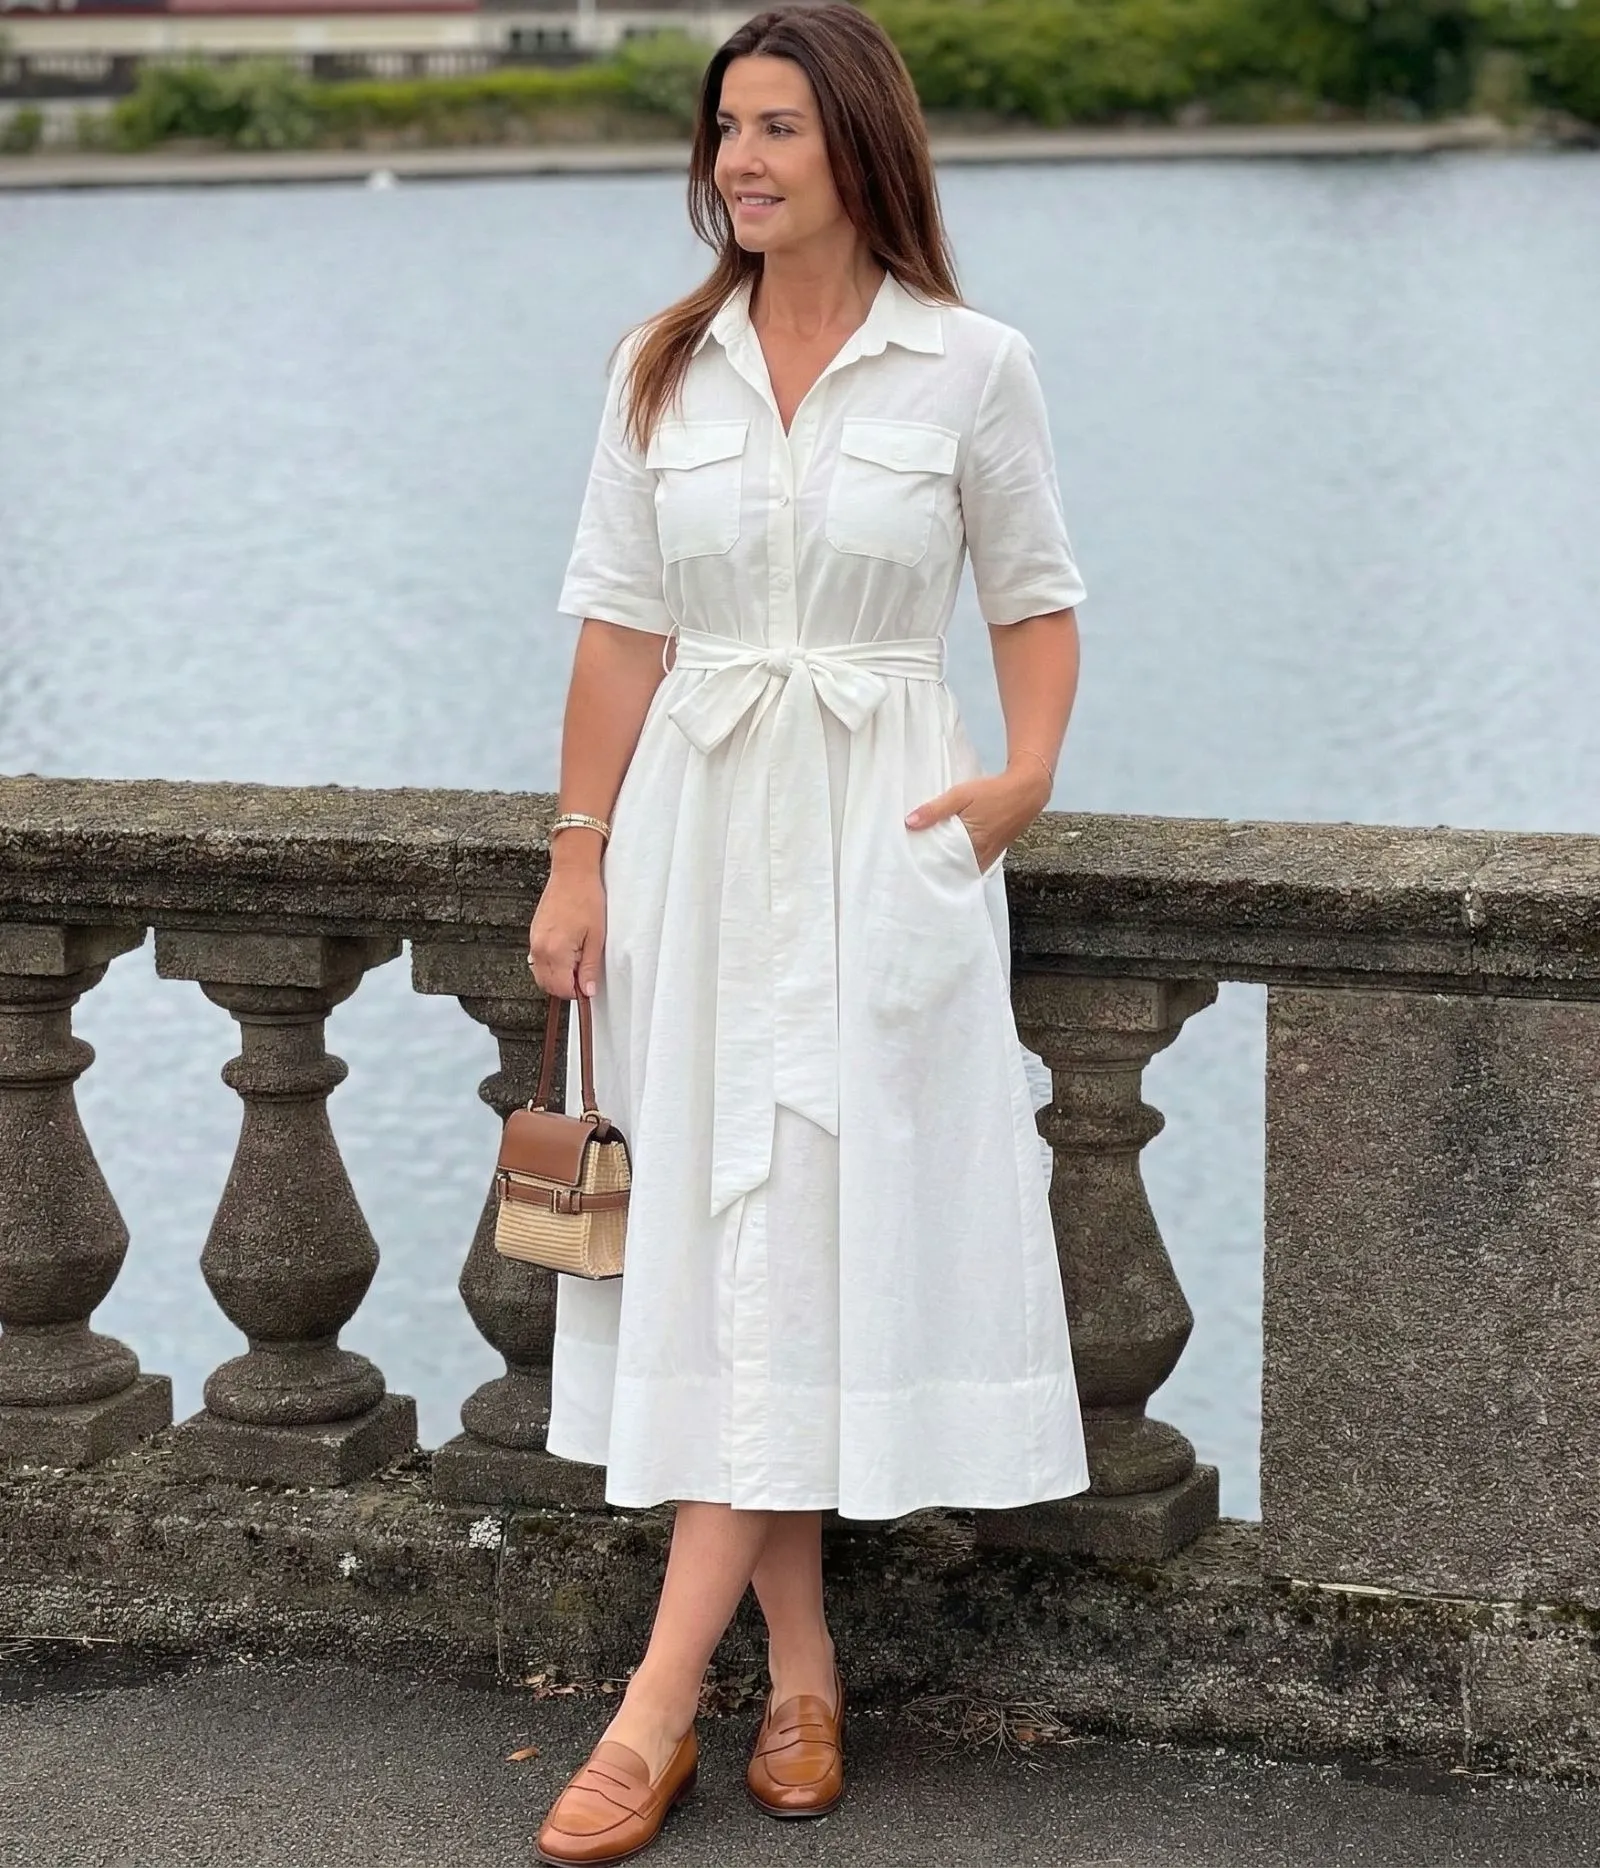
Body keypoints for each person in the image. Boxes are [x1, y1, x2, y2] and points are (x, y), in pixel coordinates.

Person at [525, 5, 1090, 1860]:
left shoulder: (971, 366)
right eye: (724, 130)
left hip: (878, 838)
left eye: (778, 127)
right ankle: (804, 1673)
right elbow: (617, 629)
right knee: (730, 1250)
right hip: (699, 839)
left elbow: (1038, 599)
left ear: (859, 144)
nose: (741, 161)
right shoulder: (658, 370)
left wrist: (1020, 784)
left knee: (811, 1246)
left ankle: (648, 1713)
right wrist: (578, 855)